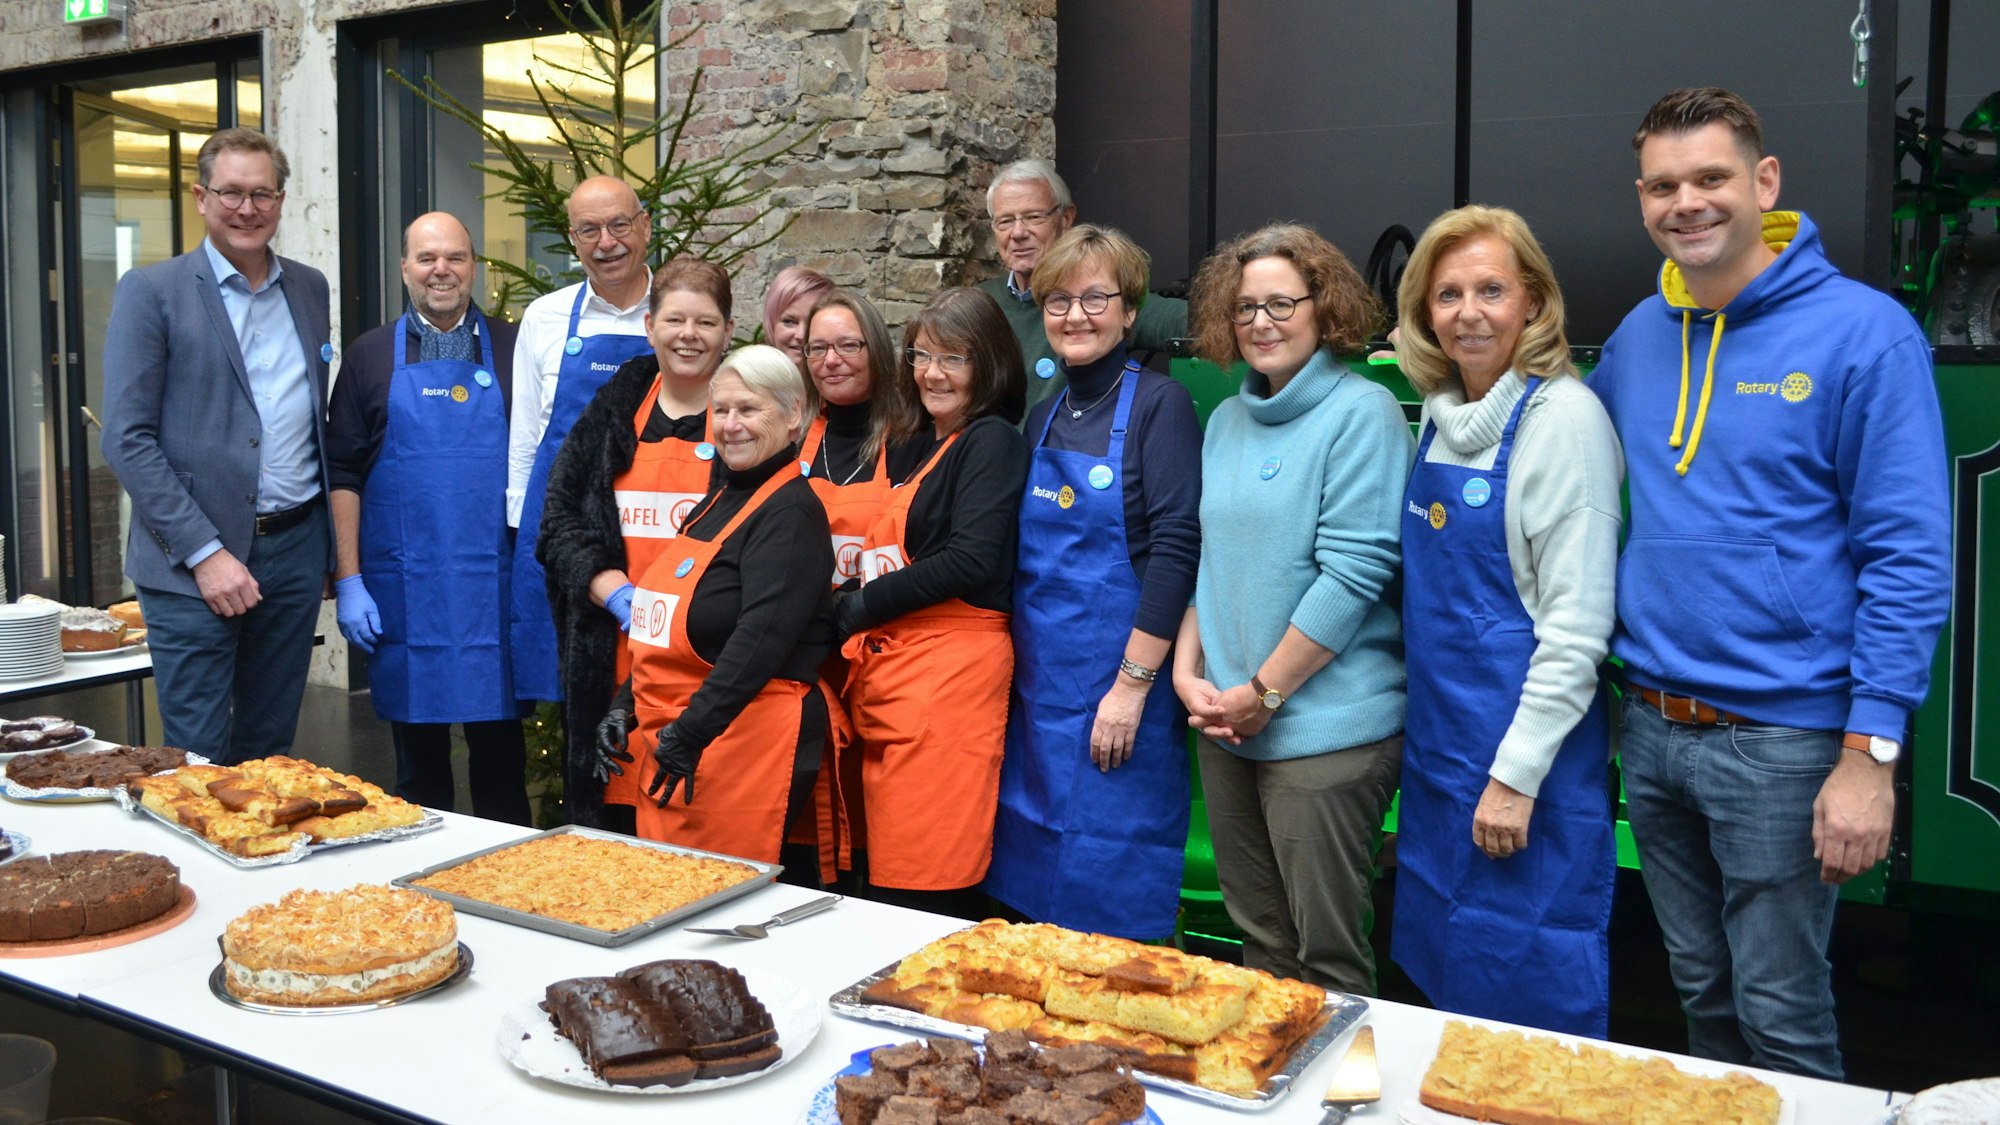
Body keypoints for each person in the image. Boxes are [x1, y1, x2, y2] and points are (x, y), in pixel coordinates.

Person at [1591, 87, 1950, 1079]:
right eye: (1662, 185)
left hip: (1784, 746)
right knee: (1701, 1001)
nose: (1685, 202)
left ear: (1763, 182)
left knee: (1781, 1017)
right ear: (1640, 198)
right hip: (1653, 731)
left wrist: (1867, 757)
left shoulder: (1862, 335)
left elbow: (1908, 558)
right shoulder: (1633, 337)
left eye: (1709, 178)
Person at [1387, 205, 1623, 1036]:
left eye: (1491, 288)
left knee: (1524, 1007)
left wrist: (1514, 777)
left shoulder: (1565, 421)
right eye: (1447, 293)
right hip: (1441, 762)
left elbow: (1576, 631)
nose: (1468, 311)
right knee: (1439, 984)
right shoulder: (1440, 415)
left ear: (1533, 302)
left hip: (1528, 774)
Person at [1173, 222, 1411, 994]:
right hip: (1230, 724)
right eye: (1245, 308)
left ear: (1324, 305)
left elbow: (1355, 574)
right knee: (1261, 948)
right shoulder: (1226, 419)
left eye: (1282, 302)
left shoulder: (1363, 412)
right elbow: (1215, 563)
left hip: (1321, 732)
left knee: (1329, 960)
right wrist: (1187, 669)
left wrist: (1265, 692)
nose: (1261, 322)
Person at [984, 226, 1202, 940]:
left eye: (1095, 298)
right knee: (1028, 898)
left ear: (1130, 311)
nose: (1075, 315)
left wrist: (1133, 685)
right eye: (1059, 300)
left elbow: (1177, 547)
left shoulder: (1159, 407)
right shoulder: (1043, 415)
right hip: (1040, 694)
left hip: (1118, 696)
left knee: (1110, 906)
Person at [101, 127, 334, 767]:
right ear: (201, 198)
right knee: (197, 755)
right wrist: (207, 555)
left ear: (282, 201)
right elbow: (127, 437)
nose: (247, 208)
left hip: (292, 554)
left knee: (269, 749)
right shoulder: (152, 292)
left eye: (262, 193)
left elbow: (308, 417)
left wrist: (322, 551)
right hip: (191, 563)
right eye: (231, 192)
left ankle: (264, 861)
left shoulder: (309, 289)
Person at [325, 211, 530, 825]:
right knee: (419, 773)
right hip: (405, 591)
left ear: (474, 267)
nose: (441, 270)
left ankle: (512, 887)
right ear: (405, 269)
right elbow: (343, 474)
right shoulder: (367, 356)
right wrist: (348, 580)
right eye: (426, 258)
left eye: (455, 258)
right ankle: (421, 891)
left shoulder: (517, 349)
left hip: (497, 587)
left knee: (502, 766)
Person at [590, 344, 836, 856]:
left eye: (748, 409)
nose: (730, 425)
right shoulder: (719, 499)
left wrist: (689, 735)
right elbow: (669, 619)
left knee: (722, 906)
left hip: (741, 744)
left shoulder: (790, 513)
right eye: (721, 410)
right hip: (681, 740)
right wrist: (625, 705)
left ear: (794, 416)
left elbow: (758, 642)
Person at [836, 288, 1029, 917]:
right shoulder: (932, 444)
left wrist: (860, 608)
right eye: (921, 356)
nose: (931, 374)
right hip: (903, 675)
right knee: (886, 874)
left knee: (922, 885)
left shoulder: (992, 441)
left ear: (991, 364)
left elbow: (971, 560)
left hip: (948, 682)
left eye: (953, 359)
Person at [539, 257, 732, 830]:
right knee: (613, 830)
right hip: (609, 649)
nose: (689, 336)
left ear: (728, 332)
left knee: (694, 822)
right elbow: (557, 520)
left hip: (701, 662)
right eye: (675, 320)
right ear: (650, 326)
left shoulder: (745, 417)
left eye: (706, 322)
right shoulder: (617, 406)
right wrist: (611, 590)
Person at [506, 175, 656, 707]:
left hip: (652, 527)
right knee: (573, 684)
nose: (606, 242)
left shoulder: (678, 313)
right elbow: (525, 437)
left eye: (619, 225)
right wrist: (524, 534)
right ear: (573, 240)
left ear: (645, 226)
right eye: (589, 230)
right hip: (564, 526)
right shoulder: (546, 318)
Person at [789, 288, 902, 883]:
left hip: (880, 660)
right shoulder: (793, 437)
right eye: (818, 348)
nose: (832, 360)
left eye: (848, 345)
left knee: (877, 827)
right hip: (805, 660)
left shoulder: (908, 438)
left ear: (876, 350)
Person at [979, 160, 1187, 412]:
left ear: (1066, 218)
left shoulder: (1106, 300)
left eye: (1034, 217)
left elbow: (1197, 322)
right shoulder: (981, 303)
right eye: (1005, 221)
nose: (1018, 232)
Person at [763, 265, 835, 368]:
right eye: (789, 322)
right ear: (771, 324)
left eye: (811, 322)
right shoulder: (746, 380)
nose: (801, 335)